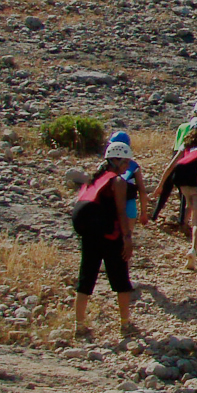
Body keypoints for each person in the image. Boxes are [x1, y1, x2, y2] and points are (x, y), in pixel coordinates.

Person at [72, 140, 135, 338]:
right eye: (125, 163)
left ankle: (79, 326)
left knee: (85, 280)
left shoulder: (93, 180)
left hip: (90, 235)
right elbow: (121, 212)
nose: (127, 167)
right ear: (116, 161)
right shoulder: (117, 182)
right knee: (121, 281)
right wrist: (127, 238)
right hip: (110, 236)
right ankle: (125, 325)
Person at [150, 122, 197, 270]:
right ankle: (194, 247)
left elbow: (171, 166)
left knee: (189, 204)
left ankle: (184, 225)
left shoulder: (186, 145)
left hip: (182, 183)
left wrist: (160, 185)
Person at [107, 130, 148, 245]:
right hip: (129, 207)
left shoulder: (105, 166)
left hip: (110, 206)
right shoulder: (134, 167)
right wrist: (144, 212)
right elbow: (142, 191)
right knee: (126, 240)